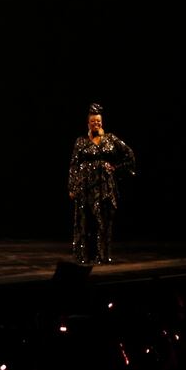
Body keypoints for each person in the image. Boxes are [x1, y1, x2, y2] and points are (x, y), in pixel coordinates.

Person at [68, 103, 135, 265]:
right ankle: (84, 255)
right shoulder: (81, 141)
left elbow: (129, 155)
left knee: (103, 221)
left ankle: (102, 255)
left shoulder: (110, 139)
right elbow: (74, 165)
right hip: (85, 187)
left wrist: (115, 168)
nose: (96, 123)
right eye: (93, 121)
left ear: (102, 122)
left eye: (98, 121)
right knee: (85, 222)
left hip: (104, 187)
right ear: (88, 123)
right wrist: (72, 187)